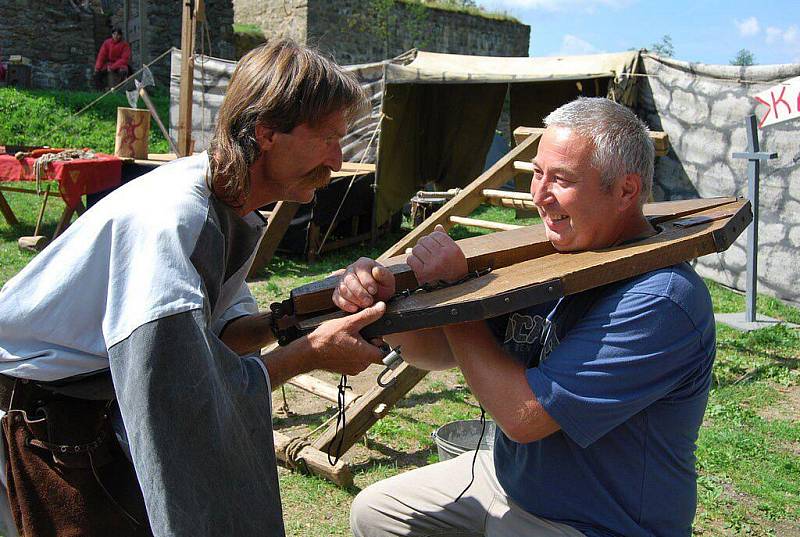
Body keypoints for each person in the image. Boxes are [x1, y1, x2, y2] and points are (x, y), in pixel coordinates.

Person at [0, 39, 387, 536]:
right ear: (268, 132)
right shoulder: (179, 217)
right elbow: (180, 390)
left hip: (78, 406)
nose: (336, 160)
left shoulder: (228, 205)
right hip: (36, 411)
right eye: (327, 138)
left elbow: (217, 336)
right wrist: (311, 353)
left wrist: (299, 316)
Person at [334, 97, 716, 537]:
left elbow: (524, 417)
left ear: (627, 190)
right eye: (537, 173)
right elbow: (436, 352)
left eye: (562, 180)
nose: (538, 194)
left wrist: (453, 297)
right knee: (377, 512)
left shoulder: (661, 300)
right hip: (507, 478)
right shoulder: (552, 254)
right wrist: (385, 308)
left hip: (596, 521)